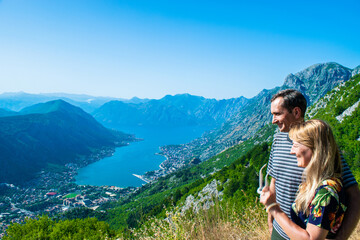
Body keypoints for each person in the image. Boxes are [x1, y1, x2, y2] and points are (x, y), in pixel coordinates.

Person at [265, 89, 360, 240]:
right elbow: (275, 179)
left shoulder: (322, 147)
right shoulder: (277, 140)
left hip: (305, 233)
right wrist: (271, 219)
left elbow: (354, 195)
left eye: (277, 114)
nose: (273, 120)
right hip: (280, 229)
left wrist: (341, 238)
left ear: (296, 112)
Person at [261, 119, 346, 239]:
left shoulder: (326, 192)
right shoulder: (319, 182)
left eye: (295, 145)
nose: (291, 151)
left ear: (315, 149)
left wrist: (273, 208)